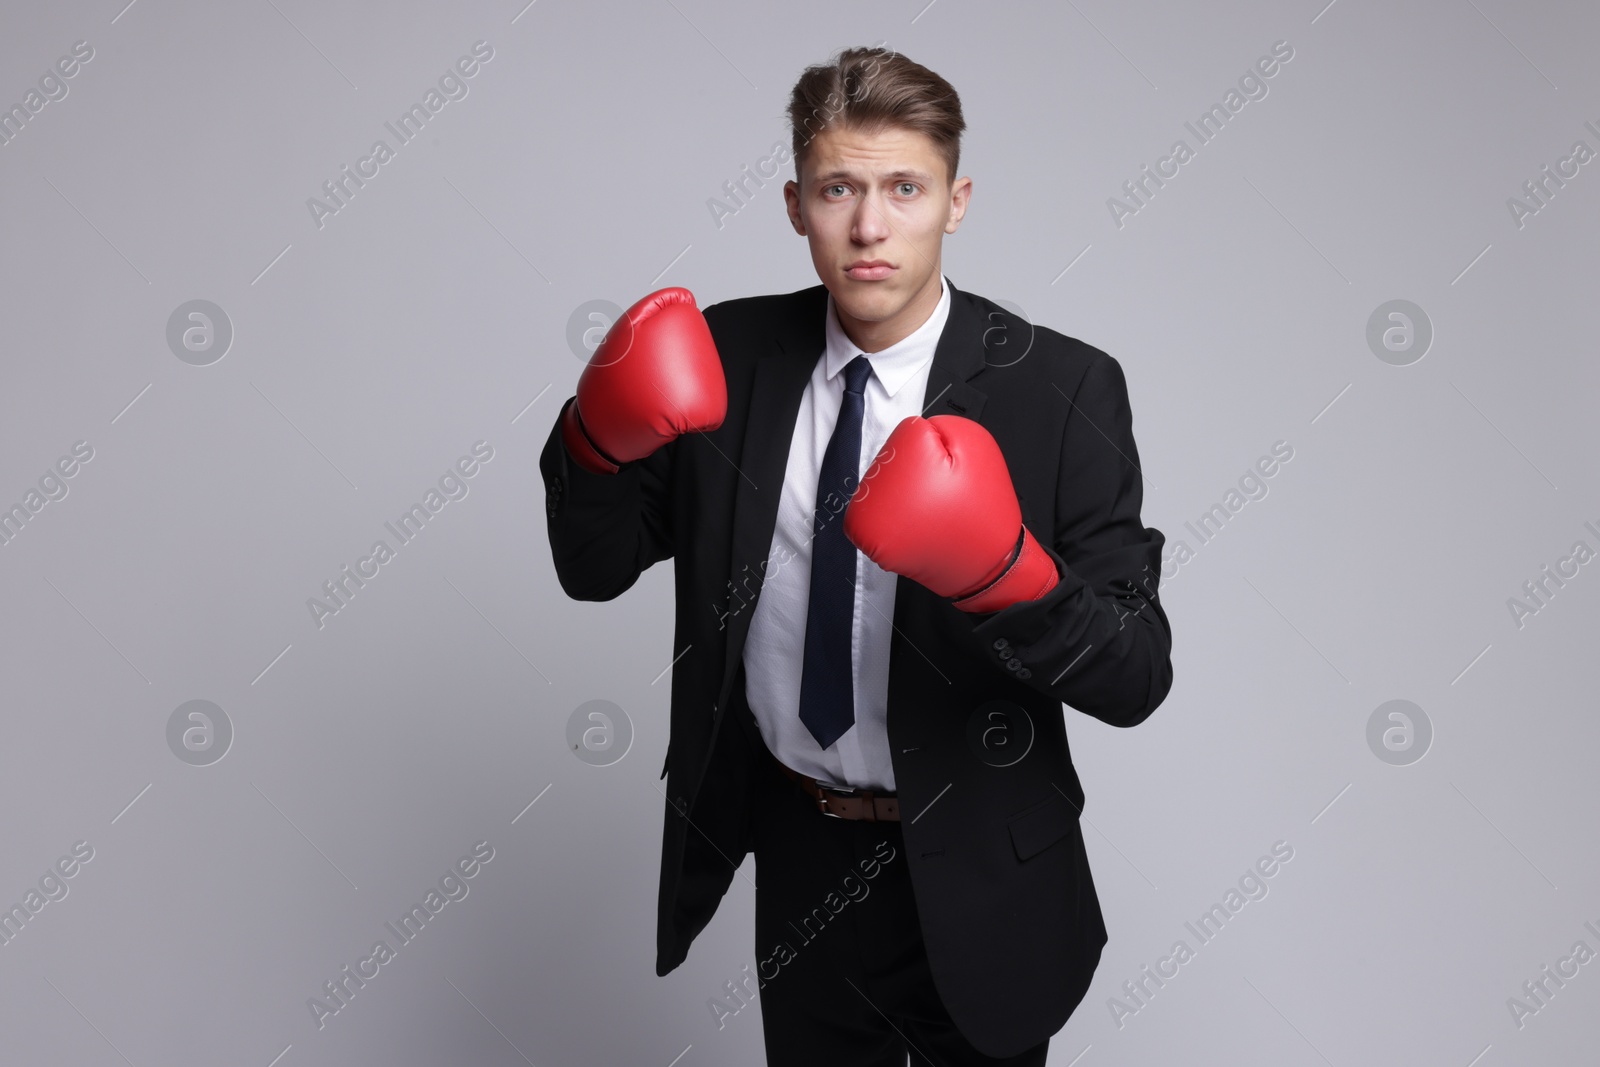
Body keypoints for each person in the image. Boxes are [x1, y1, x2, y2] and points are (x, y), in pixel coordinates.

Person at [541, 45, 1173, 1066]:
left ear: (955, 201)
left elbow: (1137, 673)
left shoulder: (1059, 389)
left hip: (985, 858)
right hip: (802, 843)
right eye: (838, 188)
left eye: (902, 188)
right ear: (797, 203)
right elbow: (595, 564)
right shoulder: (730, 359)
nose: (869, 226)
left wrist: (1008, 574)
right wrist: (588, 437)